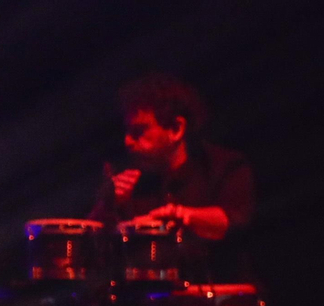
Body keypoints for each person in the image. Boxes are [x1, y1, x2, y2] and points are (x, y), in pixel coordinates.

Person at [90, 72, 255, 282]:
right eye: (128, 131)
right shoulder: (128, 183)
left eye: (139, 131)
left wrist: (178, 216)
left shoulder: (222, 165)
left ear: (176, 129)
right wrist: (106, 206)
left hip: (223, 301)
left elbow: (234, 219)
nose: (128, 141)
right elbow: (94, 253)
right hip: (148, 305)